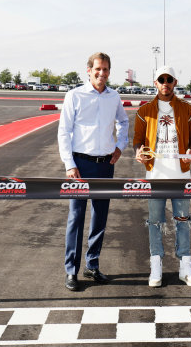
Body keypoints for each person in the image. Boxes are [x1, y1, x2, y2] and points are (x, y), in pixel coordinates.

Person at [57, 52, 129, 291]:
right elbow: (64, 131)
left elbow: (124, 122)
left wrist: (119, 147)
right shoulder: (74, 95)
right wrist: (69, 163)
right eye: (98, 69)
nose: (102, 73)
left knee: (100, 216)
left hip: (105, 165)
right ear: (88, 70)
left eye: (106, 69)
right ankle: (71, 270)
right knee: (76, 217)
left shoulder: (114, 96)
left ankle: (92, 265)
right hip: (80, 164)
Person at [133, 66, 191, 287]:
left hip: (181, 174)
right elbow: (137, 140)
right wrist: (138, 152)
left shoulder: (187, 109)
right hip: (155, 174)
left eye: (169, 79)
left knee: (182, 220)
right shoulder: (144, 111)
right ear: (155, 83)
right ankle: (156, 265)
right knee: (155, 222)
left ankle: (185, 266)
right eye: (161, 79)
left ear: (175, 82)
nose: (165, 83)